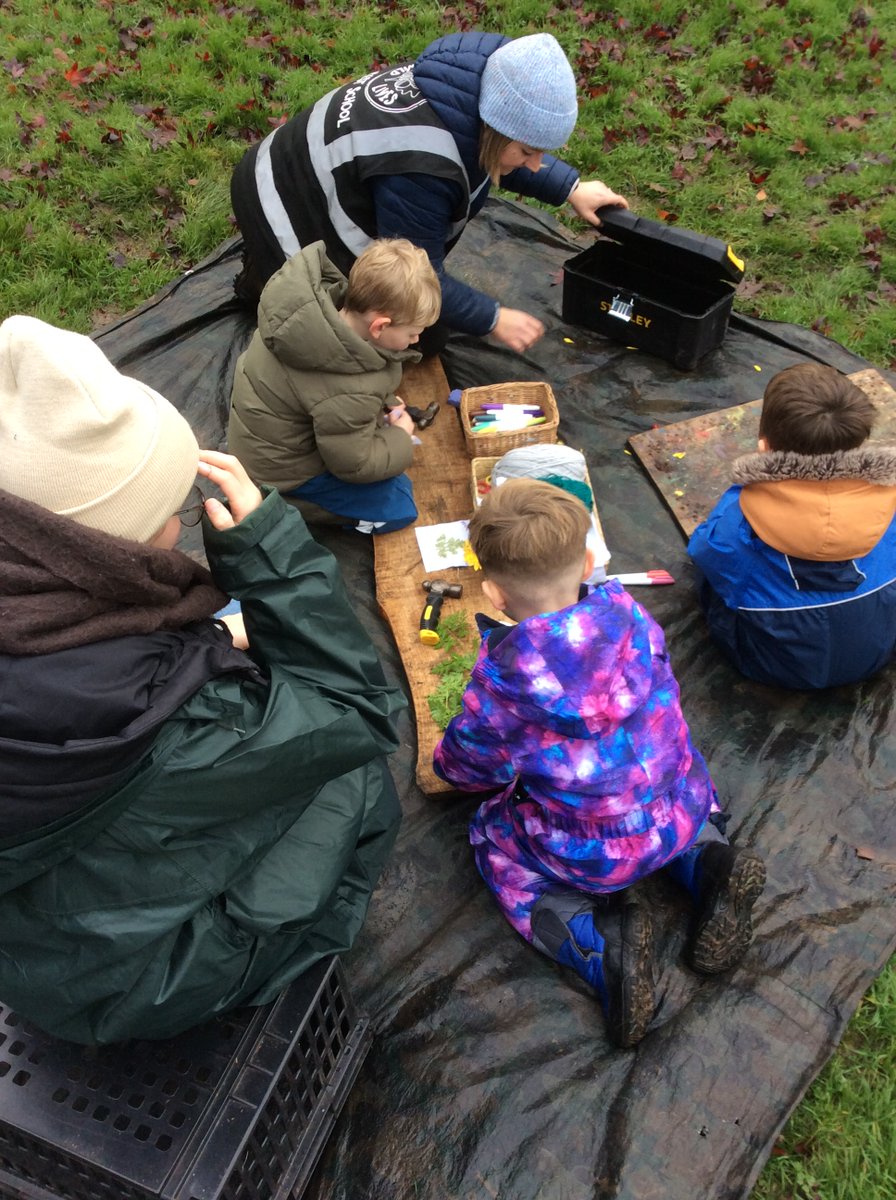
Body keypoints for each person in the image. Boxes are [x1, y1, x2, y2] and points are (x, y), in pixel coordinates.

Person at [0, 314, 405, 1045]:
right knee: (354, 778)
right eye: (167, 512)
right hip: (115, 987)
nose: (180, 529)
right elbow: (353, 711)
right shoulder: (164, 716)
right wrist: (272, 555)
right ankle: (276, 967)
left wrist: (213, 636)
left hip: (30, 929)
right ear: (100, 550)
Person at [433, 480, 765, 1048]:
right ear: (589, 562)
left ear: (492, 594)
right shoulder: (634, 619)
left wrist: (451, 761)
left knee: (496, 846)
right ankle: (707, 861)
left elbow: (465, 769)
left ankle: (597, 946)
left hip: (590, 855)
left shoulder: (502, 686)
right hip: (682, 806)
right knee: (664, 772)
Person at [230, 31, 628, 356]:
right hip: (276, 202)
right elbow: (418, 276)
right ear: (493, 126)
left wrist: (570, 188)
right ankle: (265, 276)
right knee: (411, 336)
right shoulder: (421, 167)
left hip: (308, 169)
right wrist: (492, 317)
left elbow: (496, 154)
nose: (535, 164)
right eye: (528, 152)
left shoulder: (471, 80)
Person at [688, 362, 896, 690]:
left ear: (763, 447)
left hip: (774, 667)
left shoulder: (736, 526)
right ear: (857, 446)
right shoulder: (890, 503)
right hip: (878, 651)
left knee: (715, 574)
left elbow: (701, 550)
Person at [227, 237, 439, 534]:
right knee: (399, 507)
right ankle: (282, 505)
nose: (416, 341)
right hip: (280, 472)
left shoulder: (309, 316)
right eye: (413, 333)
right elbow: (354, 465)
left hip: (260, 442)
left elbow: (328, 398)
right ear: (379, 327)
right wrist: (401, 437)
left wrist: (376, 404)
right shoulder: (348, 387)